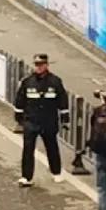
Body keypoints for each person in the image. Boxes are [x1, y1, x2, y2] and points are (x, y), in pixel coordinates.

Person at [13, 54, 70, 187]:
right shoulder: (27, 82)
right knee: (28, 149)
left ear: (46, 65)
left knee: (52, 147)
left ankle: (56, 172)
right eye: (37, 65)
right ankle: (26, 177)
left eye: (41, 65)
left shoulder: (55, 81)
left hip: (48, 120)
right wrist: (19, 118)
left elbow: (62, 100)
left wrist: (65, 119)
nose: (39, 67)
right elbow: (20, 100)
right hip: (31, 120)